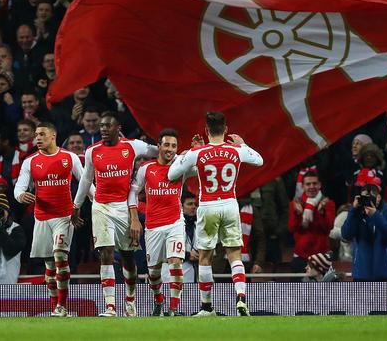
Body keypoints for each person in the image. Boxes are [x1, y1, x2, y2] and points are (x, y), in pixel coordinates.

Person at [168, 111, 263, 317]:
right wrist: (243, 145)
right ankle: (241, 300)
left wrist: (190, 151)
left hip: (208, 206)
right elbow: (259, 161)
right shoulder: (236, 150)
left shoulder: (198, 153)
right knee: (234, 255)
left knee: (205, 257)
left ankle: (206, 307)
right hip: (230, 203)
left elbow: (172, 173)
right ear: (226, 129)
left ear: (206, 130)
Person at [73, 112, 158, 317]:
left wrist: (166, 149)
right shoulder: (92, 151)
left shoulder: (132, 146)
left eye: (107, 126)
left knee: (128, 257)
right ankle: (110, 306)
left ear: (117, 128)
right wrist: (76, 205)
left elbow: (155, 151)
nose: (103, 129)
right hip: (101, 206)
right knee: (106, 253)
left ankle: (130, 300)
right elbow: (86, 180)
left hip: (124, 207)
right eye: (101, 126)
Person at [14, 122, 89, 317]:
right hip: (41, 218)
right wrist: (20, 195)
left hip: (64, 216)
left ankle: (62, 306)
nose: (37, 138)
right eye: (36, 135)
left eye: (41, 134)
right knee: (49, 264)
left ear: (53, 136)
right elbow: (19, 187)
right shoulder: (30, 161)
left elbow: (85, 182)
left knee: (59, 256)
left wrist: (98, 201)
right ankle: (55, 305)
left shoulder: (69, 157)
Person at [129, 128, 194, 317]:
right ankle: (159, 300)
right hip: (153, 226)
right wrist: (134, 218)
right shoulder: (146, 168)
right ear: (159, 146)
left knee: (175, 262)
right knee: (154, 271)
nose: (170, 149)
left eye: (174, 146)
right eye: (166, 144)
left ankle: (173, 308)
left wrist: (195, 151)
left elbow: (199, 165)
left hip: (175, 222)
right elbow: (133, 191)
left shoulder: (180, 167)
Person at [341, 177, 387, 282]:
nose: (368, 200)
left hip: (384, 275)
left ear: (379, 197)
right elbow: (346, 234)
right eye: (365, 198)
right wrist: (353, 211)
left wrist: (375, 215)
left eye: (372, 197)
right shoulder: (356, 215)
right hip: (361, 275)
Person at [288, 170, 335, 273]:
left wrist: (320, 213)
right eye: (308, 184)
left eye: (314, 183)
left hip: (322, 257)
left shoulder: (328, 203)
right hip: (300, 256)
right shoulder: (296, 204)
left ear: (319, 185)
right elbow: (292, 228)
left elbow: (328, 227)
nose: (311, 186)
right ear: (303, 186)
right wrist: (298, 214)